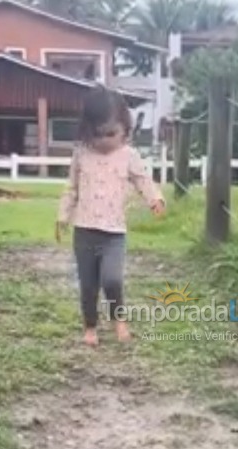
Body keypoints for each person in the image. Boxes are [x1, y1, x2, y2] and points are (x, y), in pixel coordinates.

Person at [57, 88, 165, 346]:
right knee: (88, 285)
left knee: (112, 279)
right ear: (86, 129)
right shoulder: (81, 153)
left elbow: (142, 179)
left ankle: (119, 319)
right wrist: (62, 216)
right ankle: (90, 327)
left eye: (111, 133)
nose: (104, 140)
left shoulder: (128, 155)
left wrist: (154, 199)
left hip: (114, 233)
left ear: (125, 129)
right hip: (84, 231)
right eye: (97, 134)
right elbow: (71, 188)